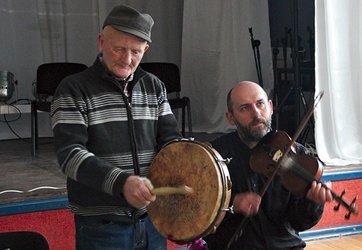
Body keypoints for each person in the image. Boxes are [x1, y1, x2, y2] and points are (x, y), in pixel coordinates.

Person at [50, 5, 182, 250]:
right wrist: (123, 183)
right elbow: (70, 155)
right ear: (101, 42)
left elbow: (170, 141)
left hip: (153, 220)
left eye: (136, 51)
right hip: (101, 226)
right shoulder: (73, 89)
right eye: (118, 49)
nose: (127, 59)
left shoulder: (154, 87)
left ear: (146, 49)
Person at [203, 81, 333, 250]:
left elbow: (298, 223)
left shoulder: (297, 155)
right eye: (245, 108)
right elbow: (199, 204)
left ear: (270, 107)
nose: (256, 113)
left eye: (260, 104)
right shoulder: (214, 155)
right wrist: (232, 202)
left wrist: (313, 202)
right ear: (231, 118)